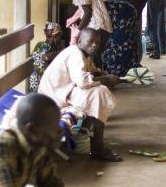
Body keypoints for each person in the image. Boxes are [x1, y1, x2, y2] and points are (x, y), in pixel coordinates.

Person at [37, 27, 122, 162]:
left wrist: (104, 75)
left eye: (97, 42)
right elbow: (83, 81)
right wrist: (106, 79)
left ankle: (86, 134)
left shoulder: (83, 54)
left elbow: (93, 71)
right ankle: (98, 148)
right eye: (90, 41)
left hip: (63, 94)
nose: (94, 45)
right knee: (99, 93)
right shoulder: (75, 53)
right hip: (52, 100)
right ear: (79, 41)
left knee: (97, 92)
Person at [58, 0, 112, 69]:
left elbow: (87, 12)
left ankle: (99, 79)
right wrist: (73, 18)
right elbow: (82, 7)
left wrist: (77, 31)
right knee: (91, 62)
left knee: (92, 62)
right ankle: (97, 78)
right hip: (94, 25)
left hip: (98, 26)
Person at [97, 0, 149, 64]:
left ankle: (136, 61)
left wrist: (132, 24)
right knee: (115, 36)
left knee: (135, 37)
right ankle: (113, 59)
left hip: (134, 15)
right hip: (118, 12)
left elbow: (138, 11)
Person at [30, 22, 65, 92]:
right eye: (58, 36)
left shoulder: (49, 47)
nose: (60, 39)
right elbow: (46, 57)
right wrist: (63, 51)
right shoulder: (42, 45)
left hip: (42, 85)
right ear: (54, 37)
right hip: (40, 86)